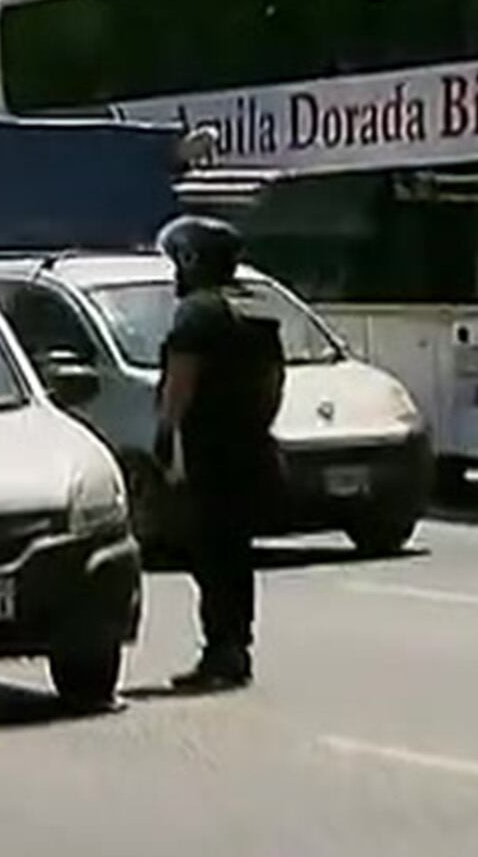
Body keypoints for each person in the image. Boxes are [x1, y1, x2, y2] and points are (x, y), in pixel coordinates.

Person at [154, 215, 285, 691]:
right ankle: (236, 646)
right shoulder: (254, 307)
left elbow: (181, 379)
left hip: (210, 449)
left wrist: (166, 432)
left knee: (210, 550)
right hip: (250, 444)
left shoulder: (198, 312)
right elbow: (274, 381)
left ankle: (220, 650)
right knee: (235, 551)